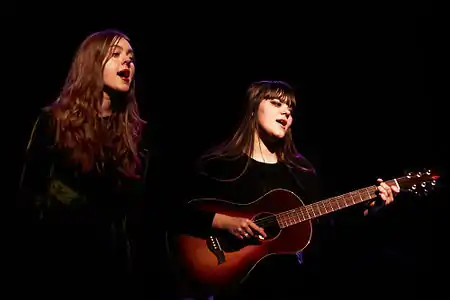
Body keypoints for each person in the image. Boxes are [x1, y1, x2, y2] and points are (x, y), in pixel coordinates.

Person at [166, 80, 400, 300]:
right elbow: (175, 212)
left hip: (288, 286)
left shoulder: (301, 173)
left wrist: (371, 210)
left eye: (290, 108)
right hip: (235, 288)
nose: (286, 112)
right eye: (276, 103)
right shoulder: (219, 164)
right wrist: (225, 222)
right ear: (253, 109)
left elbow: (327, 228)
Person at [14, 29, 150, 294]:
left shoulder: (136, 135)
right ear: (92, 63)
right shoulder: (54, 122)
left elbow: (142, 209)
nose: (127, 62)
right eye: (116, 54)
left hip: (114, 271)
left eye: (131, 57)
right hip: (58, 262)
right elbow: (28, 195)